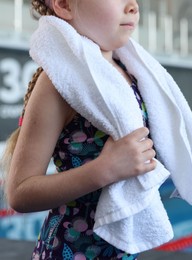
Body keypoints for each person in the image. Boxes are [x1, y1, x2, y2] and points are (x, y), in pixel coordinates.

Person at [2, 0, 157, 259]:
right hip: (69, 249)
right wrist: (104, 170)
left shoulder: (129, 74)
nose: (133, 5)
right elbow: (19, 192)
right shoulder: (56, 83)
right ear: (64, 4)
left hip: (122, 250)